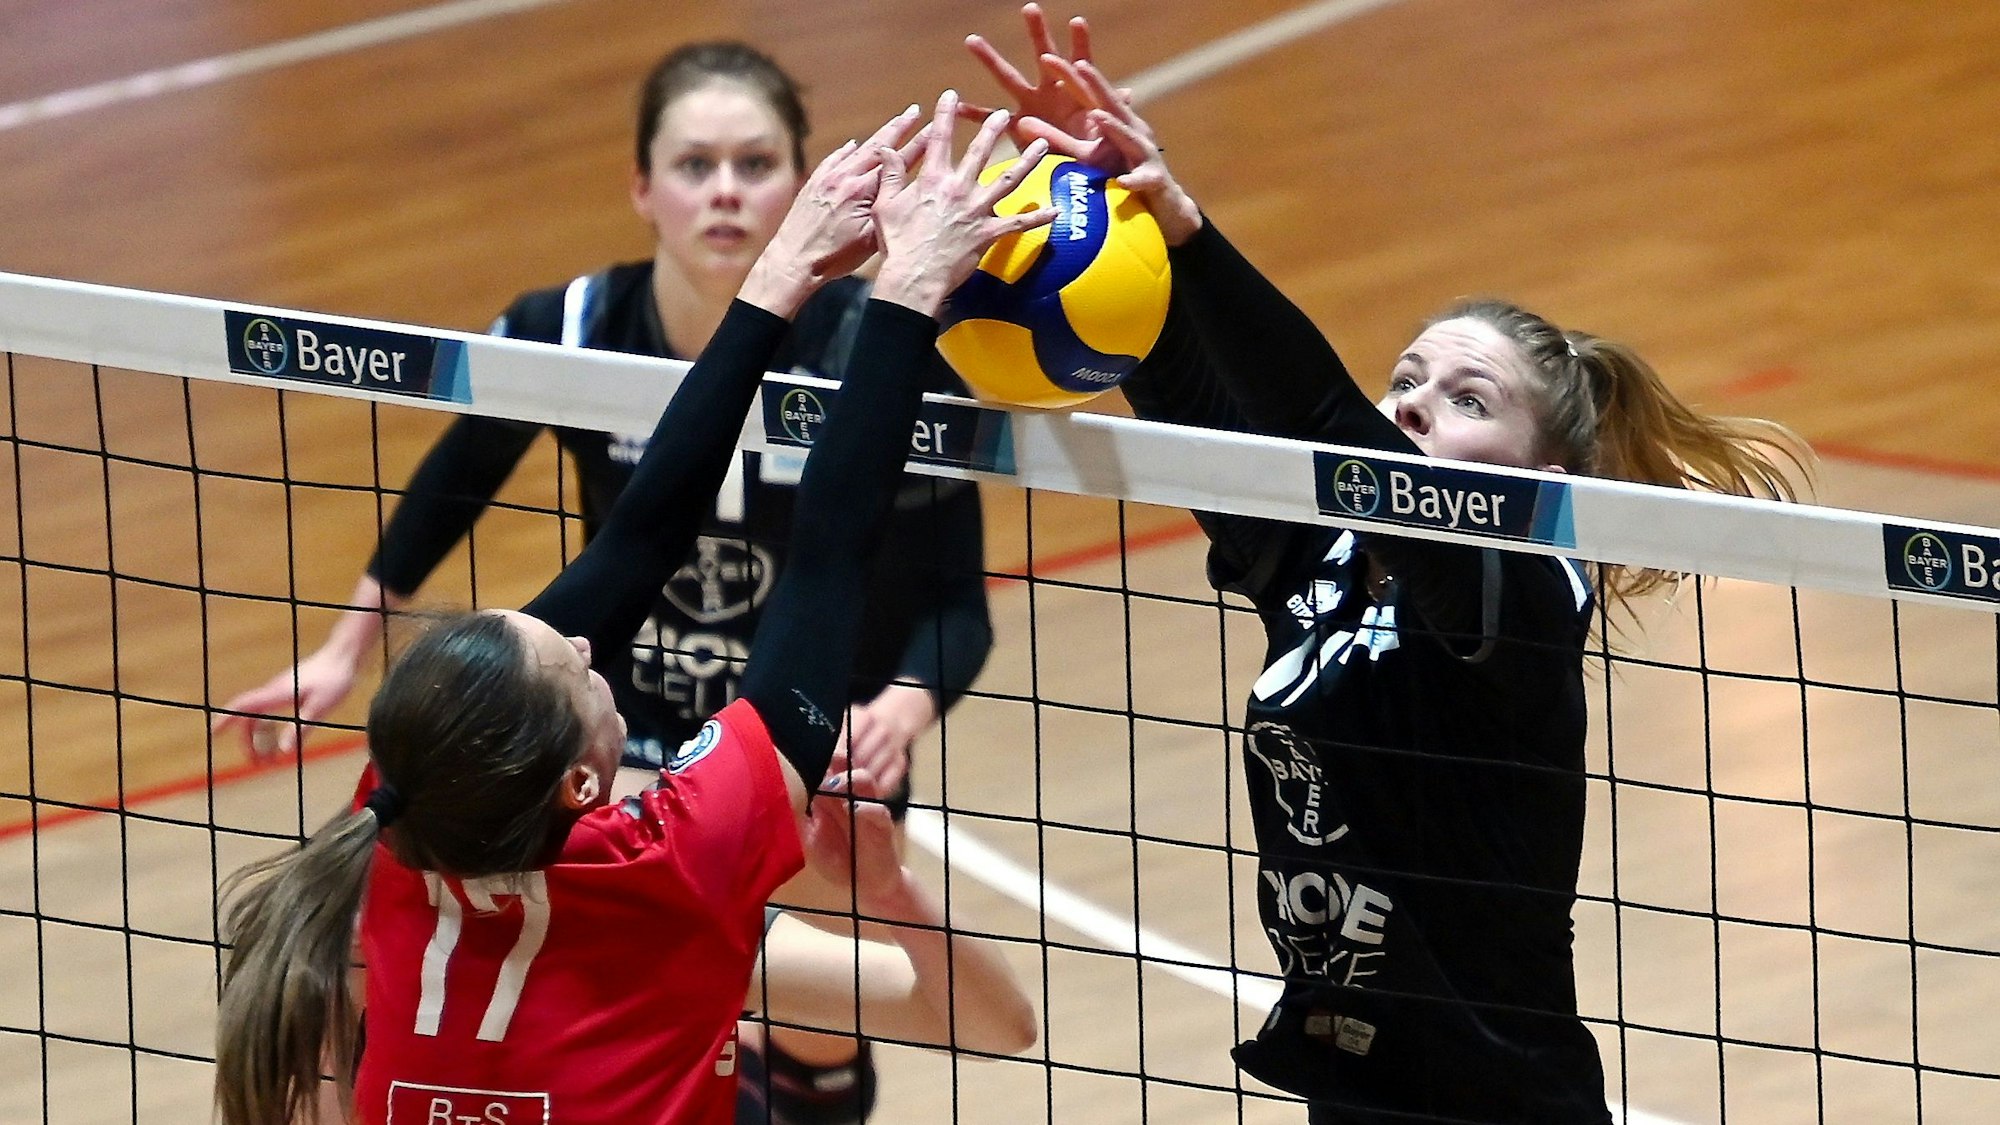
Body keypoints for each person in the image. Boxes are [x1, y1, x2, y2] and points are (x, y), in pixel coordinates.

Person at [968, 11, 1810, 1122]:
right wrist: (1103, 235)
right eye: (1404, 378)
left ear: (1546, 469)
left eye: (1467, 400)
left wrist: (1186, 228)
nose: (1412, 404)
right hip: (1355, 1078)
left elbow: (1318, 416)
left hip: (1497, 1103)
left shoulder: (1524, 587)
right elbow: (1187, 398)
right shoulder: (1316, 559)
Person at [213, 96, 1052, 1125]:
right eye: (576, 665)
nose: (580, 635)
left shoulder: (400, 823)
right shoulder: (672, 870)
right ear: (580, 780)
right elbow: (825, 558)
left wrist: (780, 277)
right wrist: (908, 291)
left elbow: (638, 539)